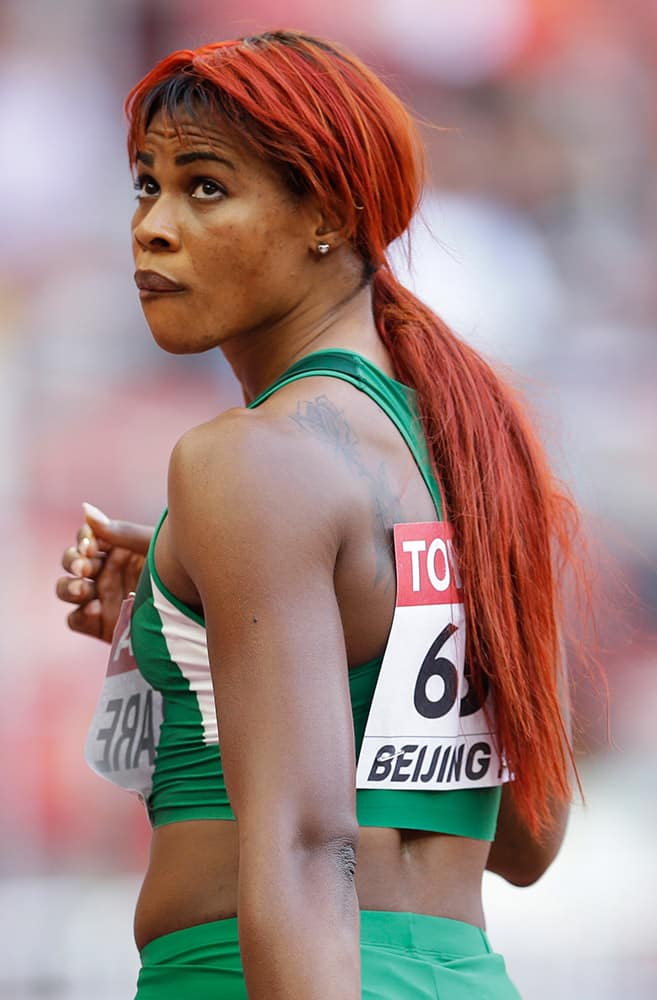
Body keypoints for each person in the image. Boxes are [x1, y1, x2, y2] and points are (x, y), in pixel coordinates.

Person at [56, 29, 581, 999]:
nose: (153, 226)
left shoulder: (250, 460)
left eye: (204, 187)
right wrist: (183, 620)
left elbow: (304, 849)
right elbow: (522, 834)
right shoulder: (481, 458)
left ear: (329, 214)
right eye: (145, 185)